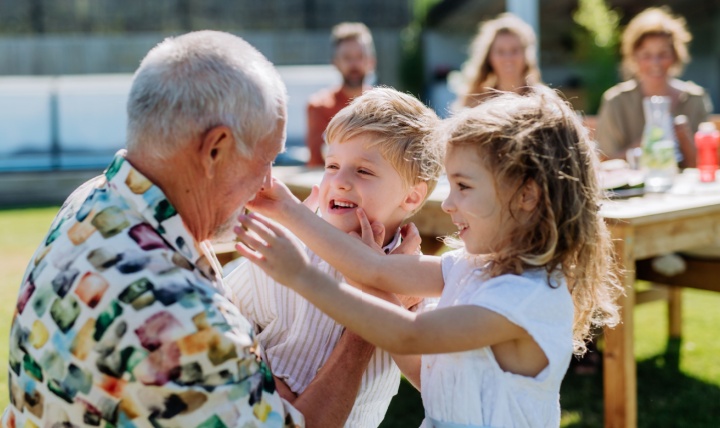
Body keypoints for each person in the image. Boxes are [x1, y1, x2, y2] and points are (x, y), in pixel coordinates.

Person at [3, 31, 386, 428]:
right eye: (268, 158)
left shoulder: (88, 201)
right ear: (215, 149)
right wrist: (369, 322)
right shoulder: (184, 324)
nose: (268, 183)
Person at [233, 87, 624, 427]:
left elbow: (408, 334)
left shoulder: (526, 298)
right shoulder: (471, 269)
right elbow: (376, 271)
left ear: (527, 195)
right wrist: (287, 210)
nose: (449, 204)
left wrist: (302, 275)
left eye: (463, 186)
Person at [225, 86, 443, 428]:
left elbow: (430, 382)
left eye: (364, 171)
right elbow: (222, 314)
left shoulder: (412, 276)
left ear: (412, 197)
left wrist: (387, 300)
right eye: (332, 165)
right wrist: (263, 380)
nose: (339, 182)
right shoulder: (289, 248)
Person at [596, 7, 713, 162]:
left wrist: (683, 138)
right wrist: (645, 143)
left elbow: (705, 164)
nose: (655, 63)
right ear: (634, 57)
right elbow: (605, 161)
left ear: (675, 56)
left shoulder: (695, 99)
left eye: (663, 54)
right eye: (646, 55)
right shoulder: (616, 101)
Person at [306, 22, 376, 167]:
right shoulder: (319, 106)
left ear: (371, 62)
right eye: (347, 58)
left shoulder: (383, 107)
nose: (354, 65)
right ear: (335, 63)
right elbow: (318, 162)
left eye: (360, 56)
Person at [452, 13, 542, 109]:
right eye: (500, 51)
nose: (508, 58)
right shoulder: (474, 102)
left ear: (526, 54)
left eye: (514, 50)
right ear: (489, 57)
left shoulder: (542, 100)